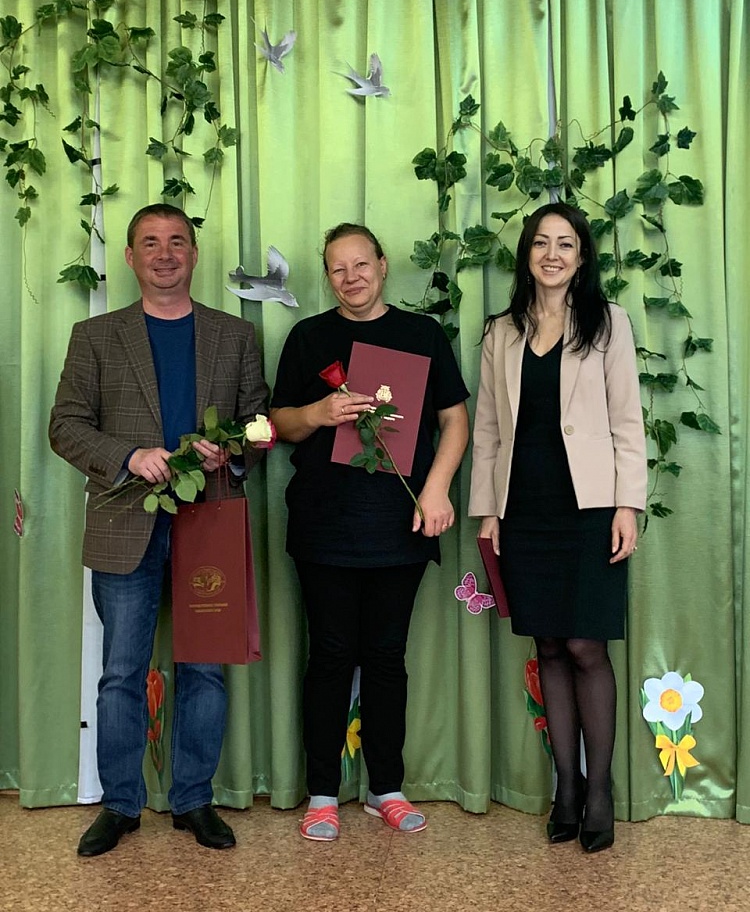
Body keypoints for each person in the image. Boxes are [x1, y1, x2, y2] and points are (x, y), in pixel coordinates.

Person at [49, 203, 269, 857]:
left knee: (205, 671)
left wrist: (230, 452)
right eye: (150, 242)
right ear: (130, 257)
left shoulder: (236, 335)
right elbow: (65, 425)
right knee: (122, 672)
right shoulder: (95, 337)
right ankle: (119, 805)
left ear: (194, 254)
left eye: (177, 241)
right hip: (124, 522)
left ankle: (194, 799)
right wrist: (127, 456)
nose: (165, 253)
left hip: (210, 524)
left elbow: (258, 426)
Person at [270, 222, 469, 841]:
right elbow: (279, 424)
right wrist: (318, 412)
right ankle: (322, 794)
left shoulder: (422, 334)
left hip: (400, 522)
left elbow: (455, 421)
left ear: (382, 266)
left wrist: (436, 489)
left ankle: (387, 788)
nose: (351, 277)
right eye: (338, 268)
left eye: (361, 264)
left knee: (386, 657)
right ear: (327, 276)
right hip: (324, 523)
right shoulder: (308, 337)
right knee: (329, 656)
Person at [468, 202, 646, 854]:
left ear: (582, 255)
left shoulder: (608, 322)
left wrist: (628, 505)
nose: (552, 254)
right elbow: (488, 429)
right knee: (547, 646)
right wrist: (488, 512)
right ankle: (565, 787)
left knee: (584, 647)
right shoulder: (500, 332)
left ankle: (600, 792)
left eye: (565, 244)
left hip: (591, 509)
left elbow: (627, 420)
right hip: (524, 511)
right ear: (526, 254)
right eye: (541, 243)